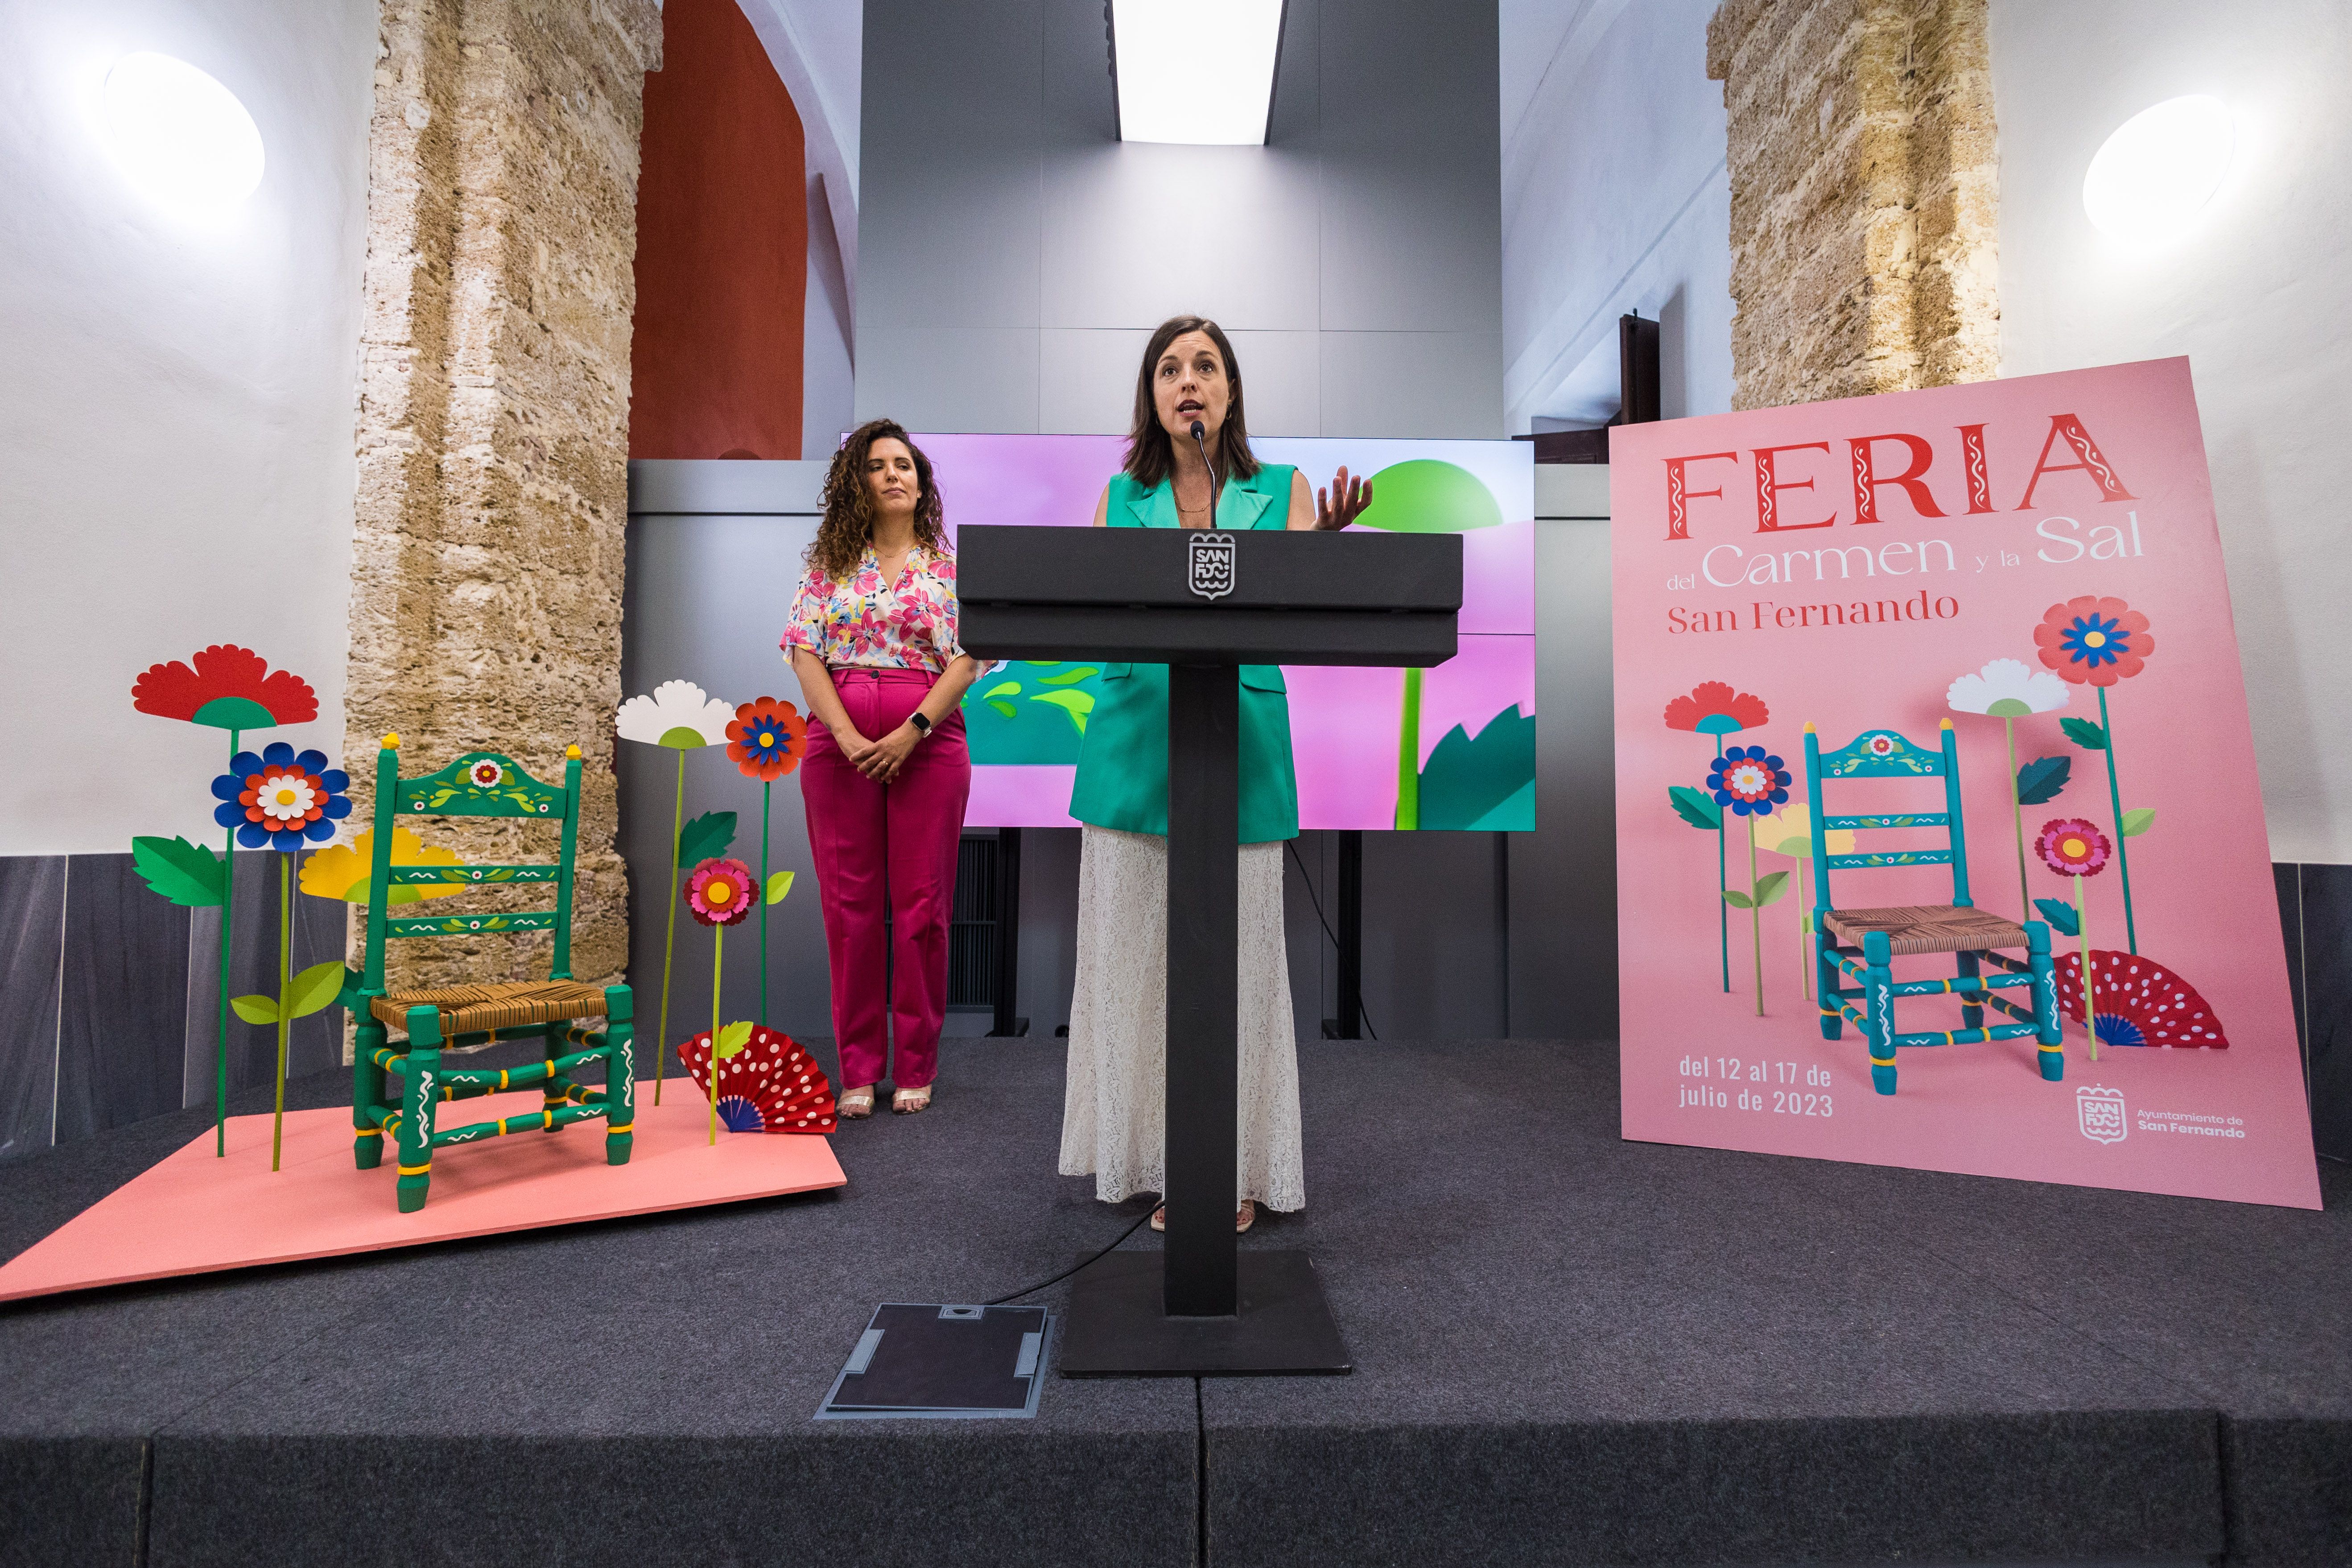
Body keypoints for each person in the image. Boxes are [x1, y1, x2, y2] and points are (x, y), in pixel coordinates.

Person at [1058, 315, 1373, 1231]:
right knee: (1134, 968)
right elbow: (1085, 613)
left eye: (1206, 365)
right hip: (1131, 757)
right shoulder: (1119, 500)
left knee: (1235, 972)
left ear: (1230, 391)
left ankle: (1231, 1169)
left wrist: (1327, 554)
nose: (1187, 380)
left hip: (1240, 757)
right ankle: (1154, 1161)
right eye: (1169, 368)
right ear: (1151, 397)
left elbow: (1305, 618)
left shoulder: (1285, 492)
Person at [783, 420, 983, 1117]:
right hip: (836, 751)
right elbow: (803, 650)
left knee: (923, 911)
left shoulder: (950, 569)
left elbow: (969, 657)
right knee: (850, 911)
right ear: (857, 483)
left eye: (905, 464)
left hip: (928, 744)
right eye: (878, 465)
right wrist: (842, 733)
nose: (894, 474)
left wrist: (910, 731)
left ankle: (917, 1066)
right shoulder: (829, 566)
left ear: (922, 483)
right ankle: (860, 1071)